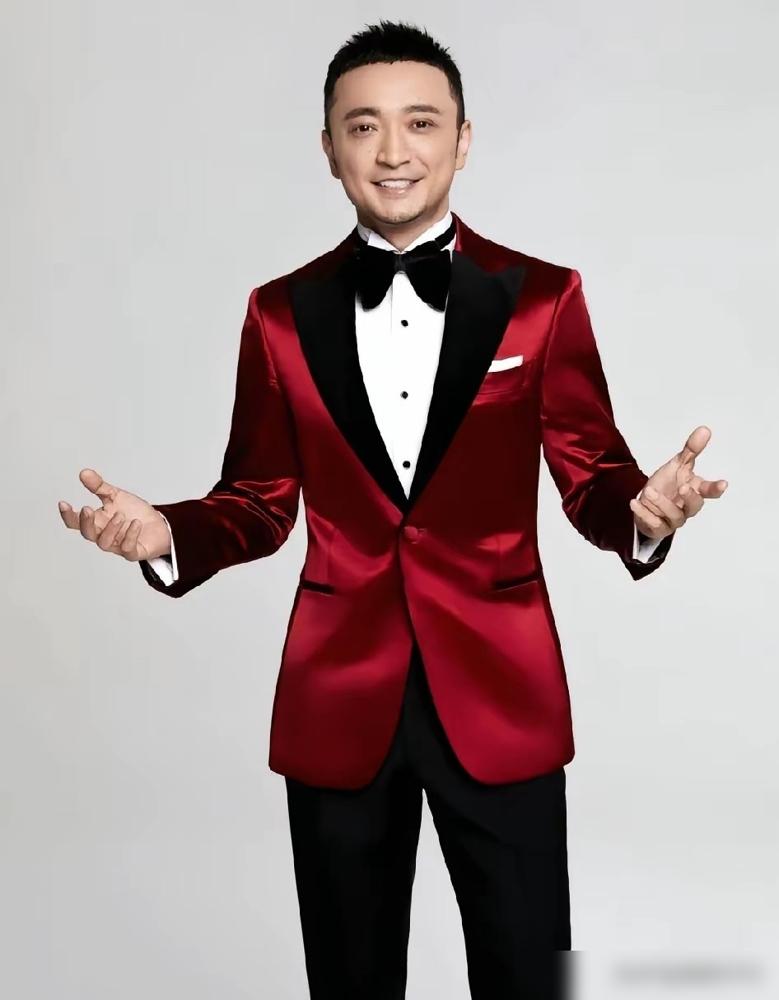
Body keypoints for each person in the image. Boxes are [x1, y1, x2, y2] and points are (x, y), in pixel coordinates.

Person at [57, 19, 728, 1000]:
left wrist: (642, 511)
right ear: (328, 148)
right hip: (338, 692)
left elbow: (592, 478)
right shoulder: (278, 313)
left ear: (463, 139)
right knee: (349, 978)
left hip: (500, 688)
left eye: (420, 122)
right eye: (362, 126)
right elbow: (257, 500)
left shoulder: (543, 299)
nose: (392, 150)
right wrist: (168, 532)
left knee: (530, 974)